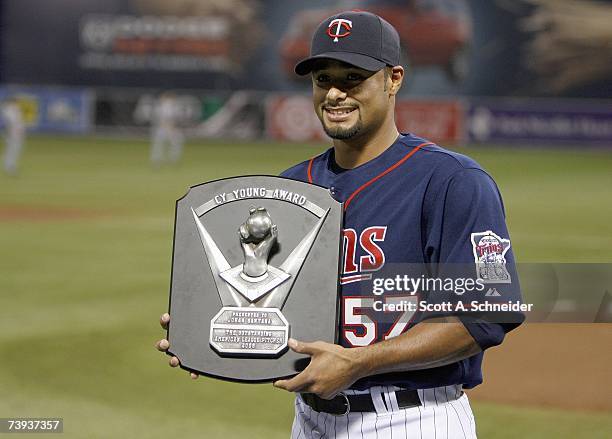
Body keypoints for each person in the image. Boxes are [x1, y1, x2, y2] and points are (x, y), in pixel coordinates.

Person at [156, 10, 523, 438]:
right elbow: (269, 297)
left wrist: (360, 362)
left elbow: (485, 315)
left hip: (412, 418)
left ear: (393, 79)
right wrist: (205, 330)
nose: (334, 93)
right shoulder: (293, 187)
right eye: (322, 79)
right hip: (310, 420)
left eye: (352, 78)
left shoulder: (452, 182)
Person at [150, 92, 184, 166]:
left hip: (173, 128)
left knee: (176, 142)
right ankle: (156, 161)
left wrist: (172, 128)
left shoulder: (175, 107)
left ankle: (173, 160)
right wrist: (168, 128)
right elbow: (160, 120)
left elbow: (176, 120)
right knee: (158, 145)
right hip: (161, 129)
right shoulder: (160, 107)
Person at [2, 97, 25, 175]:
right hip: (11, 133)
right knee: (11, 150)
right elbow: (11, 122)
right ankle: (9, 166)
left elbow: (20, 121)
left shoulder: (16, 109)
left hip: (17, 132)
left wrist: (21, 130)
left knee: (16, 149)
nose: (16, 103)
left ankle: (10, 165)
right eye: (15, 102)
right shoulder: (8, 110)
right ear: (11, 102)